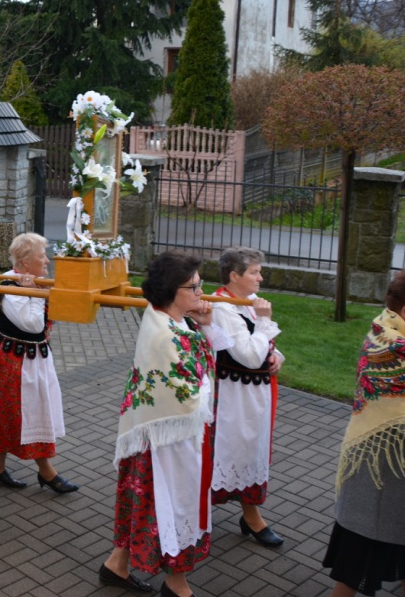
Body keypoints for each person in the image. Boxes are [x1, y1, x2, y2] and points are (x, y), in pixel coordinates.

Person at [99, 252, 228, 597]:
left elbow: (206, 361)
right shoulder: (166, 335)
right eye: (193, 287)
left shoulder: (169, 319)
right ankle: (176, 583)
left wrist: (204, 323)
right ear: (172, 291)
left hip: (164, 434)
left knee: (150, 502)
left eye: (200, 284)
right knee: (173, 505)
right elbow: (192, 392)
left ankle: (116, 565)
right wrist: (205, 363)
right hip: (168, 442)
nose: (201, 292)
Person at [322, 268, 405, 597]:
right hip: (380, 474)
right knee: (356, 564)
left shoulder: (388, 327)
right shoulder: (391, 346)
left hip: (395, 469)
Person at [0, 233, 78, 493]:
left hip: (31, 359)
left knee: (16, 413)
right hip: (13, 363)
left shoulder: (32, 282)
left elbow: (55, 315)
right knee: (27, 413)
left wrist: (42, 291)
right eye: (42, 256)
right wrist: (35, 294)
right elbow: (34, 325)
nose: (47, 261)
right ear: (25, 262)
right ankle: (47, 472)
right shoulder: (11, 288)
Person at [210, 247, 285, 548]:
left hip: (255, 394)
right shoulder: (223, 308)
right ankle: (247, 516)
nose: (260, 278)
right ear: (234, 276)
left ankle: (250, 514)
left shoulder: (249, 302)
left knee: (251, 451)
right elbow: (250, 356)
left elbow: (264, 347)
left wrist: (277, 356)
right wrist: (265, 322)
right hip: (233, 396)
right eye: (254, 272)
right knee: (233, 451)